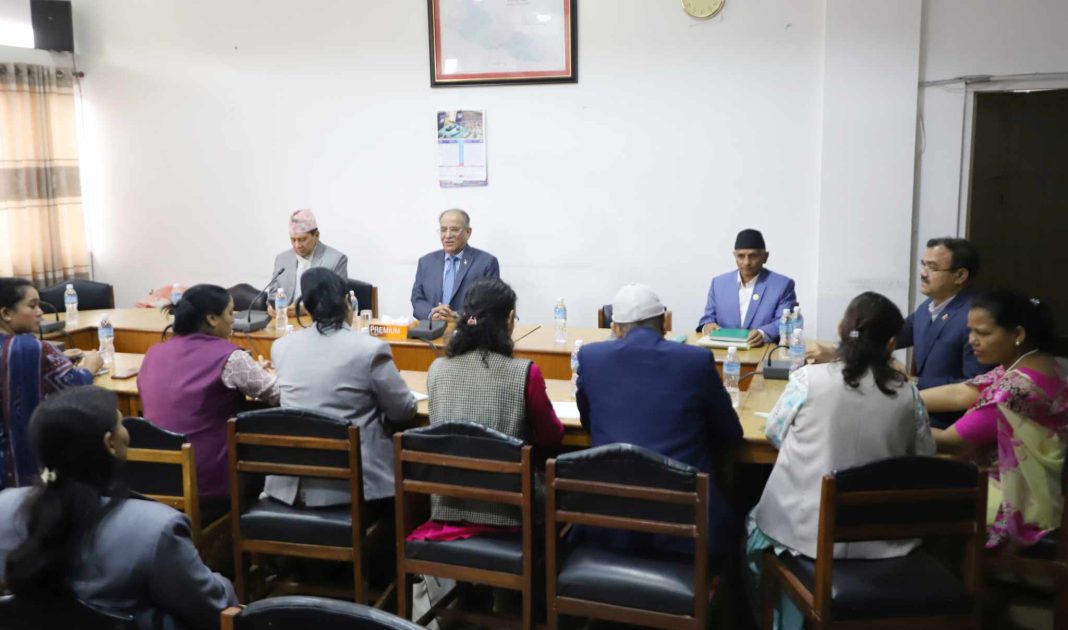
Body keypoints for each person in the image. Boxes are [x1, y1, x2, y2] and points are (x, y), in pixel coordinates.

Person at [747, 292, 935, 629]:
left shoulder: (807, 380)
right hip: (884, 540)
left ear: (840, 329)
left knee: (750, 522)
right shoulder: (909, 394)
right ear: (892, 343)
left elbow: (775, 433)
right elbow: (924, 457)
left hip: (802, 533)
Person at [0, 386, 237, 629]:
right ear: (110, 443)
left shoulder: (5, 508)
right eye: (122, 423)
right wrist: (225, 584)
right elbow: (214, 608)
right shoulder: (155, 529)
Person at [578, 283, 741, 558]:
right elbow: (730, 435)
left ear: (615, 328)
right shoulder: (696, 360)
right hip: (687, 527)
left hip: (609, 523)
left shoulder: (591, 358)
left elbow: (587, 421)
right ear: (664, 322)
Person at [414, 277, 563, 534]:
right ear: (510, 319)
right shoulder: (526, 373)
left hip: (448, 505)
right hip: (511, 511)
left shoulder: (437, 370)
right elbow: (552, 436)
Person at [921, 289, 1066, 550]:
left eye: (983, 333)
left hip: (1013, 501)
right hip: (1043, 490)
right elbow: (960, 393)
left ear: (1018, 334)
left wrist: (896, 418)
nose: (972, 341)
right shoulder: (1041, 363)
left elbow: (951, 441)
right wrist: (904, 396)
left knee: (914, 494)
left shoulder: (1016, 390)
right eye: (970, 331)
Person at [265, 268, 417, 510]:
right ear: (348, 302)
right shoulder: (369, 349)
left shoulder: (281, 347)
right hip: (355, 488)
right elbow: (403, 411)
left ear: (307, 309)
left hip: (291, 484)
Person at [807, 237, 991, 427]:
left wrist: (910, 382)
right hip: (919, 411)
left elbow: (976, 386)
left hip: (948, 423)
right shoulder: (929, 307)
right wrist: (836, 352)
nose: (923, 273)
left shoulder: (974, 317)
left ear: (960, 275)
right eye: (923, 265)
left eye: (932, 268)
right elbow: (881, 336)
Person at [138, 284, 279, 498]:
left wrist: (252, 370)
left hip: (159, 479)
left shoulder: (153, 353)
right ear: (212, 318)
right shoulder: (231, 358)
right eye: (230, 313)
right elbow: (277, 393)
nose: (234, 320)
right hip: (210, 482)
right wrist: (266, 372)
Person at [0, 277, 101, 489]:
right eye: (32, 306)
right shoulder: (33, 349)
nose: (40, 313)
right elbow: (75, 385)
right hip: (20, 467)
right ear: (6, 313)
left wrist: (56, 357)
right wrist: (90, 366)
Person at [697, 228, 797, 347]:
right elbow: (708, 318)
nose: (746, 262)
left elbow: (784, 321)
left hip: (760, 351)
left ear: (765, 257)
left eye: (753, 256)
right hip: (722, 350)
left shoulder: (783, 285)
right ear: (735, 256)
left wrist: (763, 333)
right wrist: (707, 326)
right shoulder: (718, 283)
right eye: (741, 256)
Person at [411, 209, 500, 321]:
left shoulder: (486, 262)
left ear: (468, 232)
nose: (448, 235)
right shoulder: (426, 262)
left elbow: (489, 301)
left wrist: (457, 315)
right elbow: (417, 298)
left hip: (467, 329)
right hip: (432, 328)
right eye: (443, 230)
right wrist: (432, 313)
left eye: (454, 230)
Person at [267, 208, 349, 314]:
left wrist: (303, 310)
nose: (297, 245)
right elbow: (273, 295)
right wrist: (272, 307)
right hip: (285, 320)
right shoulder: (282, 259)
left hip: (317, 320)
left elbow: (338, 299)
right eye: (293, 240)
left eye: (302, 239)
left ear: (316, 235)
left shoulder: (336, 259)